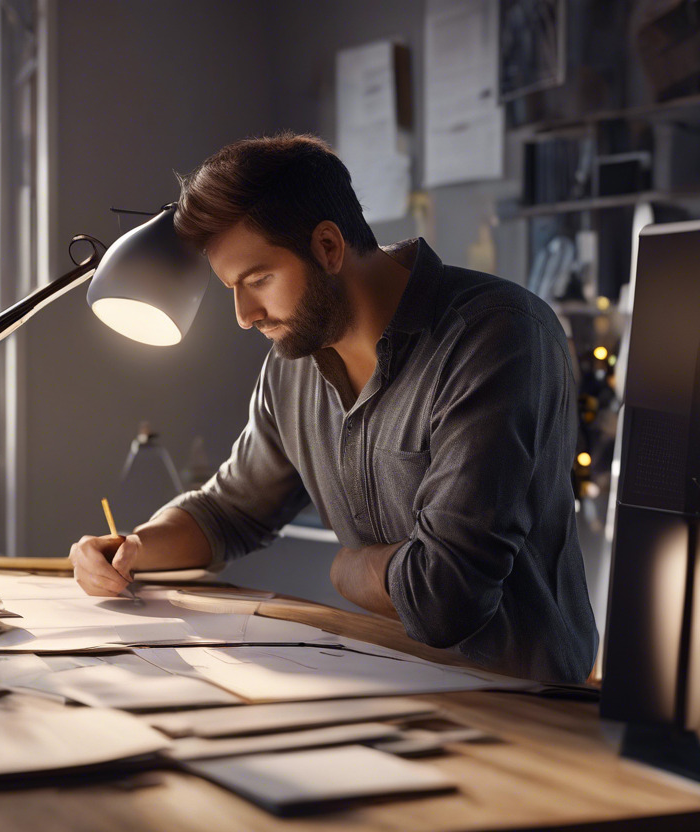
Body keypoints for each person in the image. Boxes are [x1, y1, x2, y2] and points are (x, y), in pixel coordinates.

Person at [68, 133, 598, 684]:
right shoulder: (293, 363)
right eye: (231, 287)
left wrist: (352, 568)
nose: (245, 315)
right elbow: (231, 511)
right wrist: (131, 551)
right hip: (380, 682)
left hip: (519, 702)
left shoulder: (496, 335)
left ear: (327, 247)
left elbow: (446, 596)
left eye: (258, 280)